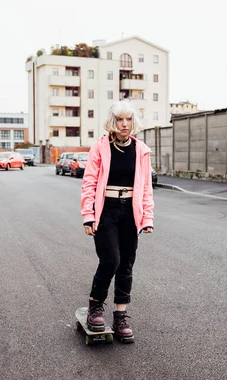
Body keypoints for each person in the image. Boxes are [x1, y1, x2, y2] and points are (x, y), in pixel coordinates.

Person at [80, 99, 154, 344]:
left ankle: (120, 315)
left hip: (130, 212)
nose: (124, 124)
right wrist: (88, 216)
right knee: (111, 259)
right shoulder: (100, 147)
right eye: (120, 119)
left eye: (129, 119)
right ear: (112, 122)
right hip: (106, 211)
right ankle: (95, 306)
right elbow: (89, 183)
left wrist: (147, 217)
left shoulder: (141, 149)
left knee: (127, 264)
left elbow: (146, 188)